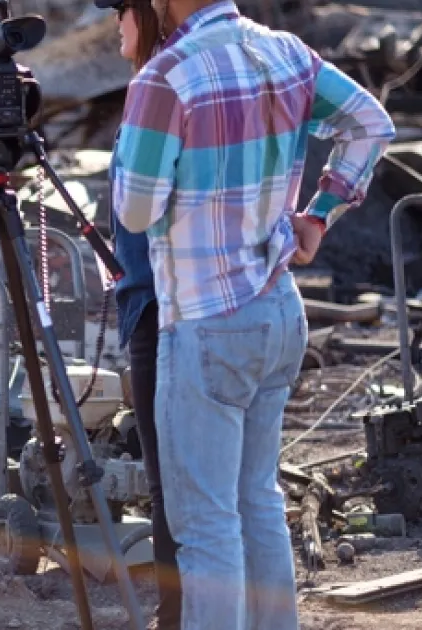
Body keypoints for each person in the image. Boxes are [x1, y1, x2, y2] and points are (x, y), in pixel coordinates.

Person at [109, 1, 395, 629]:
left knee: (207, 528)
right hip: (278, 310)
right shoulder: (287, 52)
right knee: (258, 504)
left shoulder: (165, 77)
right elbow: (371, 124)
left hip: (206, 321)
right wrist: (318, 215)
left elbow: (135, 211)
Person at [96, 1, 181, 628]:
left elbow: (137, 211)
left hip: (159, 305)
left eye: (121, 9)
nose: (114, 23)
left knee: (167, 481)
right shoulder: (161, 82)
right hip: (154, 300)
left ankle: (176, 614)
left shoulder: (160, 86)